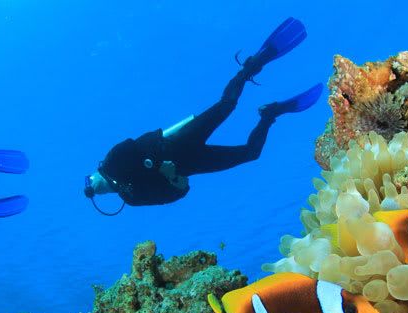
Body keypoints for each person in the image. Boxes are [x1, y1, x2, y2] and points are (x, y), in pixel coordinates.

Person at [83, 17, 323, 215]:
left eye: (92, 183)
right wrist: (172, 176)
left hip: (176, 143)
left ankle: (253, 65)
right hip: (191, 163)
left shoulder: (112, 160)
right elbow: (178, 194)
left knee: (227, 105)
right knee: (251, 154)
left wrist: (155, 165)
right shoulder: (132, 197)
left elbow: (134, 146)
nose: (97, 188)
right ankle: (270, 114)